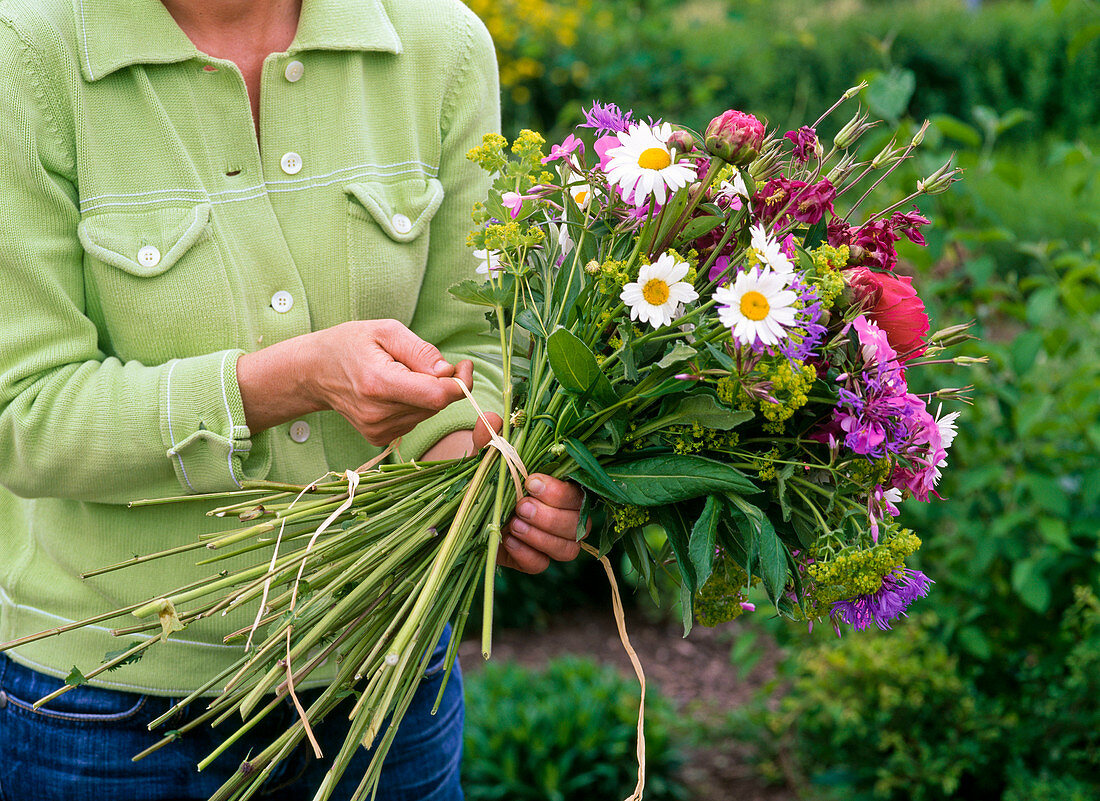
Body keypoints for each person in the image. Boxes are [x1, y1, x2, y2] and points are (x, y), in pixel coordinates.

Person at [0, 1, 585, 798]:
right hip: (105, 710)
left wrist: (488, 473)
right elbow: (23, 416)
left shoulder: (437, 44)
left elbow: (480, 352)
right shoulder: (28, 55)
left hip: (386, 684)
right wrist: (290, 381)